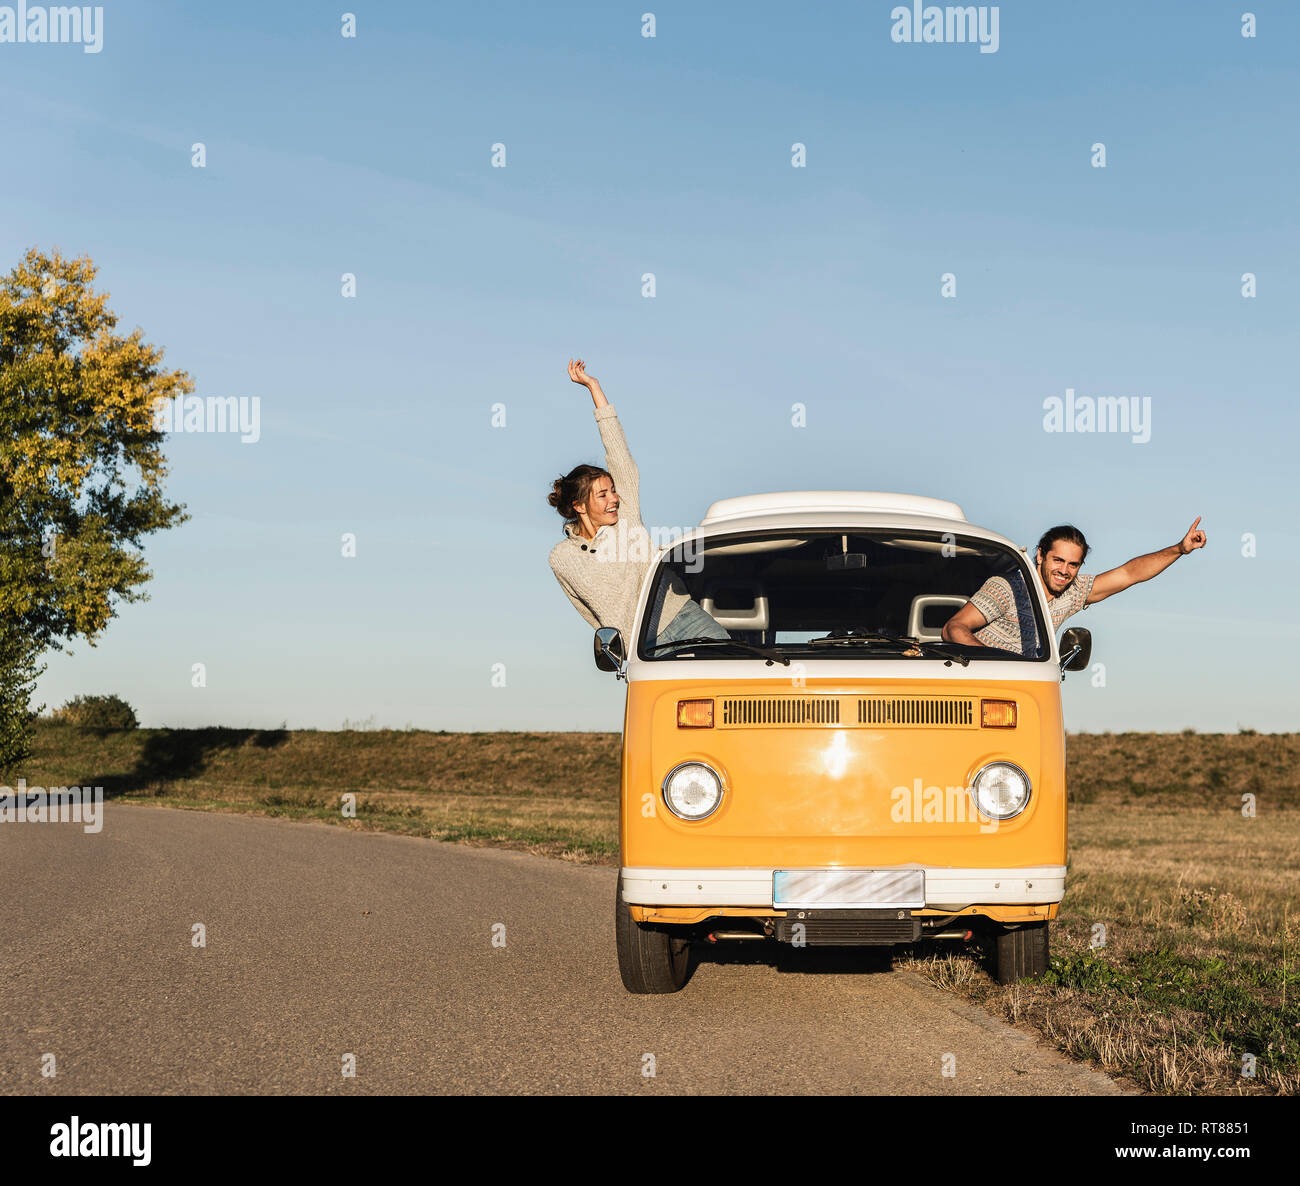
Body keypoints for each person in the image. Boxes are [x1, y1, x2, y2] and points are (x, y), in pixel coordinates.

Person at [547, 359, 729, 648]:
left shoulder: (626, 516)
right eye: (602, 495)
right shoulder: (562, 557)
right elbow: (588, 611)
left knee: (733, 672)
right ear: (579, 506)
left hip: (682, 618)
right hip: (641, 646)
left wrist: (594, 388)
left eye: (613, 490)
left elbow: (619, 455)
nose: (614, 499)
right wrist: (619, 645)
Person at [942, 519, 1208, 655]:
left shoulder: (1072, 591)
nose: (1064, 571)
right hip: (981, 681)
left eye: (1073, 564)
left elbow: (1129, 573)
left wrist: (1179, 550)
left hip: (1025, 687)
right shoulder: (1007, 587)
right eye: (1058, 560)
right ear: (1040, 556)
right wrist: (995, 665)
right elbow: (954, 628)